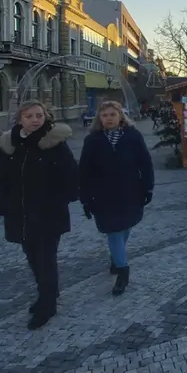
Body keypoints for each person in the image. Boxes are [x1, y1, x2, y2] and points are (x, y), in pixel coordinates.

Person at [0, 101, 78, 330]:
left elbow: (71, 174)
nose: (34, 119)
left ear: (46, 117)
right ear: (20, 119)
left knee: (45, 259)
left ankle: (47, 304)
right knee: (32, 257)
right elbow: (0, 179)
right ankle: (47, 292)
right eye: (29, 115)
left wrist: (61, 197)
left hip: (48, 213)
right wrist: (2, 205)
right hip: (19, 213)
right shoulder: (8, 144)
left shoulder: (54, 143)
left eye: (39, 115)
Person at [79, 100, 155, 296]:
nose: (108, 118)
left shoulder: (133, 136)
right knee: (113, 231)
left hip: (130, 191)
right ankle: (123, 271)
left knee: (125, 227)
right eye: (104, 115)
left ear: (120, 116)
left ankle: (116, 258)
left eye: (112, 114)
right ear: (99, 118)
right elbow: (84, 170)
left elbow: (145, 163)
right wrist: (85, 198)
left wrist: (148, 188)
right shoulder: (93, 140)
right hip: (103, 194)